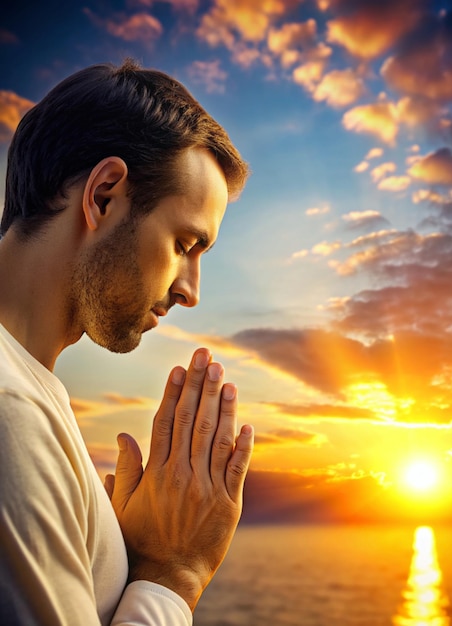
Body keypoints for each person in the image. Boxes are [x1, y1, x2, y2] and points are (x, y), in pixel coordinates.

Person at [0, 59, 254, 624]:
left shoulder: (30, 392)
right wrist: (171, 575)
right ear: (104, 196)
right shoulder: (10, 410)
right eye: (185, 244)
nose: (189, 291)